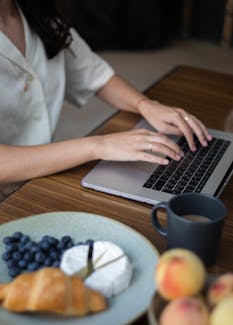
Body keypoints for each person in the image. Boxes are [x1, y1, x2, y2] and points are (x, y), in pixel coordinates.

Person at [0, 0, 212, 201]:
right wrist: (99, 145)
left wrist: (146, 105)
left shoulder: (37, 12)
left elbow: (96, 76)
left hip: (41, 177)